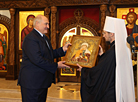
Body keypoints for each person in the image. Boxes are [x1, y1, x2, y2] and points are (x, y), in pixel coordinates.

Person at [77, 16, 135, 102]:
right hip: (116, 89)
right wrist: (102, 55)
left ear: (111, 34)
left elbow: (100, 72)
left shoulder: (112, 52)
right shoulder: (120, 49)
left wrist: (84, 70)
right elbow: (109, 66)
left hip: (109, 94)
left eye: (104, 33)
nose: (103, 36)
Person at [17, 15, 71, 102]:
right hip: (32, 83)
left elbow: (48, 54)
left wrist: (63, 49)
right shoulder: (30, 38)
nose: (48, 27)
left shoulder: (44, 37)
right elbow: (37, 59)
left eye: (48, 24)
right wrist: (56, 65)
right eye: (46, 24)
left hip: (41, 82)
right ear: (37, 24)